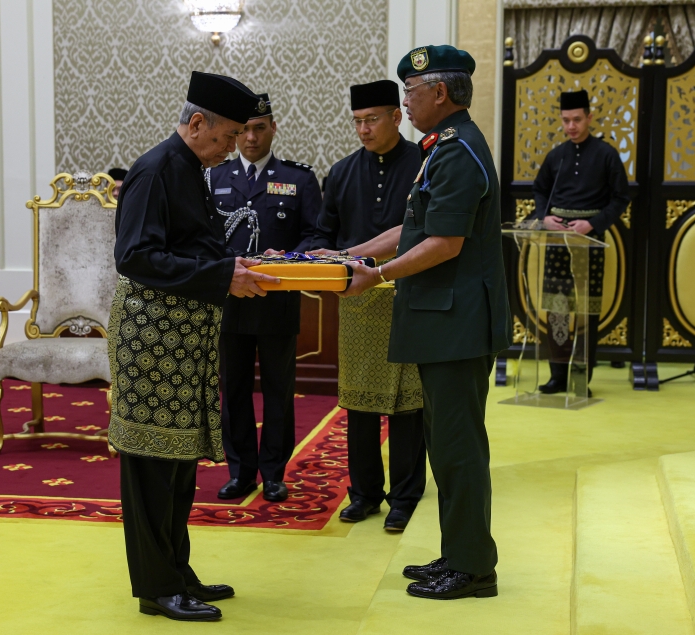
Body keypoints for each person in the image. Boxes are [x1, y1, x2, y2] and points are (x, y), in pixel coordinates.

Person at [336, 45, 511, 600]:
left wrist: (377, 275)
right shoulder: (441, 148)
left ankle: (474, 567)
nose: (405, 102)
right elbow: (414, 227)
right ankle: (458, 553)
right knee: (447, 445)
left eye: (410, 93)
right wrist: (354, 252)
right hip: (443, 322)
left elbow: (444, 243)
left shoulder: (459, 151)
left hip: (457, 325)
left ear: (440, 93)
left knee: (458, 447)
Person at [109, 71, 277, 622]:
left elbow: (191, 249)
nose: (234, 148)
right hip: (154, 340)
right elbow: (134, 257)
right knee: (153, 465)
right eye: (230, 136)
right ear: (197, 122)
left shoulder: (189, 167)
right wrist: (223, 275)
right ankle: (157, 588)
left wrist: (234, 266)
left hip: (181, 339)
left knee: (177, 462)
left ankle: (177, 573)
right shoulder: (156, 169)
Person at [305, 80, 426, 532]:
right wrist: (316, 256)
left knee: (407, 403)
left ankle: (406, 496)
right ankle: (365, 494)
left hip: (409, 296)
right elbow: (323, 233)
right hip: (357, 301)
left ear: (396, 117)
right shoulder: (340, 172)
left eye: (371, 119)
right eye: (356, 121)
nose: (363, 129)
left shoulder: (424, 163)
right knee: (359, 401)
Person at [208, 93, 320, 503]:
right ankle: (241, 472)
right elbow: (203, 237)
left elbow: (314, 235)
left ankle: (274, 472)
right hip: (230, 302)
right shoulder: (214, 178)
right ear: (235, 133)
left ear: (274, 128)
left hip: (277, 299)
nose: (251, 138)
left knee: (278, 390)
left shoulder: (299, 179)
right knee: (233, 390)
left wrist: (289, 256)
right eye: (244, 130)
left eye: (260, 128)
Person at [532, 90, 630, 394]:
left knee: (586, 309)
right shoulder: (556, 155)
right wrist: (544, 216)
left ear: (589, 117)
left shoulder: (606, 154)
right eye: (566, 120)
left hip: (589, 241)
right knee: (557, 308)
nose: (571, 126)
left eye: (576, 119)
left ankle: (580, 378)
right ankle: (557, 375)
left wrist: (593, 224)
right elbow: (539, 190)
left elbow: (621, 197)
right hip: (557, 239)